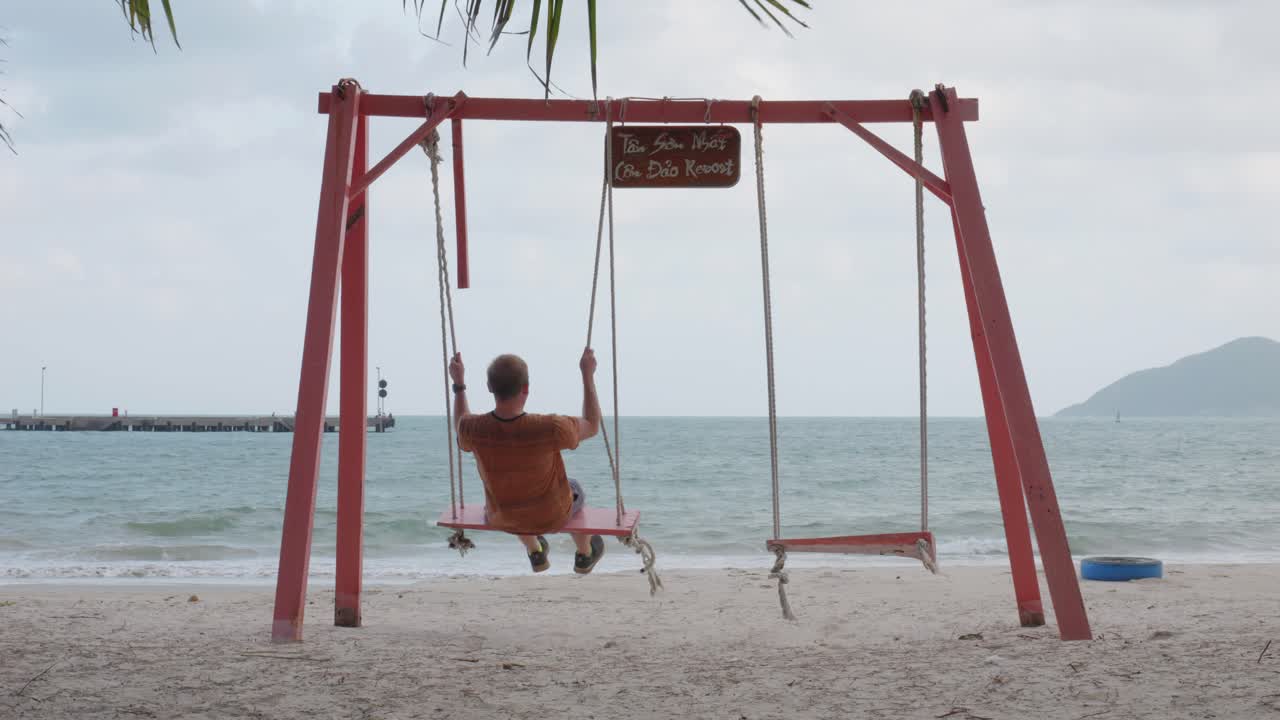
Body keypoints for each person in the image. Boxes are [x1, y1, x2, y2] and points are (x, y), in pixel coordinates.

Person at [449, 347, 606, 574]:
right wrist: (587, 375)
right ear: (526, 389)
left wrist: (459, 385)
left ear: (489, 388)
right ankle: (585, 553)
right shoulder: (551, 427)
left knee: (512, 494)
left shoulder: (472, 428)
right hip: (551, 516)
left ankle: (535, 550)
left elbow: (460, 424)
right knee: (574, 489)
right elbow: (592, 425)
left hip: (502, 516)